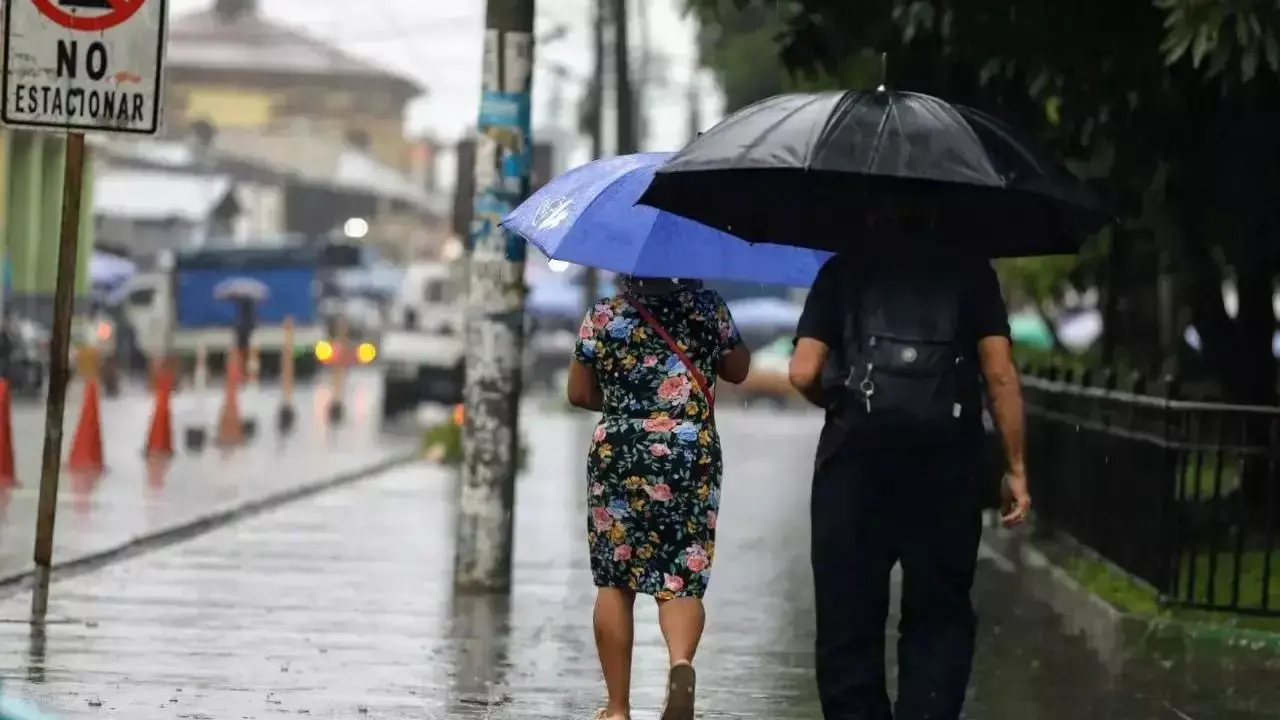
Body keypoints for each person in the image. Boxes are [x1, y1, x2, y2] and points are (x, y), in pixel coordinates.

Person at [787, 200, 1030, 720]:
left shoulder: (842, 270)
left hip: (854, 465)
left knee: (848, 619)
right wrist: (1016, 467)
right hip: (947, 466)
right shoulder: (971, 272)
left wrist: (841, 405)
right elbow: (1000, 374)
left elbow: (803, 372)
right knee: (939, 615)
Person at [567, 274, 752, 720]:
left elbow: (577, 393)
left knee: (615, 580)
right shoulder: (709, 309)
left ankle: (616, 709)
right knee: (682, 573)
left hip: (620, 455)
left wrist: (630, 405)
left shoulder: (604, 316)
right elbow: (739, 370)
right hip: (690, 453)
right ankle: (681, 664)